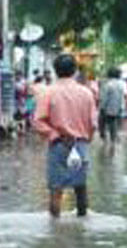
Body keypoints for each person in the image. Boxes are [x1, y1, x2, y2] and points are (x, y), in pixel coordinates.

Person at [34, 54, 97, 217]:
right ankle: (82, 228)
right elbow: (93, 124)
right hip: (80, 144)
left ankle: (54, 229)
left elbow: (38, 122)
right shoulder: (86, 93)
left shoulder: (48, 93)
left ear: (55, 71)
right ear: (75, 70)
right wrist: (86, 139)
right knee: (81, 188)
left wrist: (53, 134)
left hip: (58, 145)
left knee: (56, 190)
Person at [99, 66, 127, 145]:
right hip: (118, 108)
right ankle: (114, 139)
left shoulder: (108, 84)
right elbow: (123, 96)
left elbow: (104, 98)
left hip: (108, 108)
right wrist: (122, 106)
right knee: (114, 124)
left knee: (102, 123)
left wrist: (102, 107)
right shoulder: (121, 84)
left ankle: (105, 140)